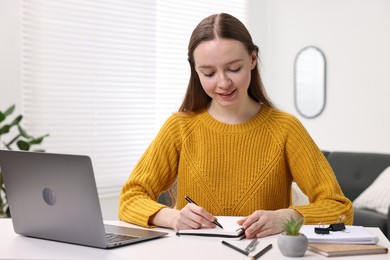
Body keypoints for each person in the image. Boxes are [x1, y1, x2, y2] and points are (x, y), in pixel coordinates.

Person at [119, 13, 353, 238]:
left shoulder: (286, 129)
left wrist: (286, 217)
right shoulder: (179, 127)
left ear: (252, 59)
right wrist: (171, 217)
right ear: (195, 70)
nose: (223, 82)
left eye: (234, 69)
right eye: (209, 73)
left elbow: (340, 209)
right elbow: (130, 198)